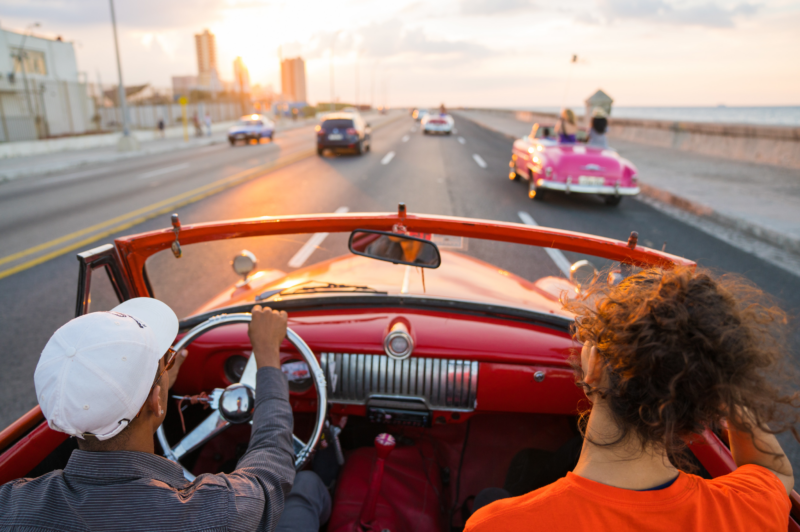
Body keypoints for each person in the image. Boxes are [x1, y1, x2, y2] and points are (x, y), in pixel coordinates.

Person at [467, 267, 797, 532]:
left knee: (492, 494)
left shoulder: (497, 524)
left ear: (593, 366)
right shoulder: (748, 512)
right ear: (709, 401)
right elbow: (773, 472)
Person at [0, 298, 330, 532]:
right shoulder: (215, 511)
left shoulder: (12, 505)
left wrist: (152, 383)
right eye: (164, 365)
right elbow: (270, 474)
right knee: (308, 484)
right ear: (158, 401)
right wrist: (268, 358)